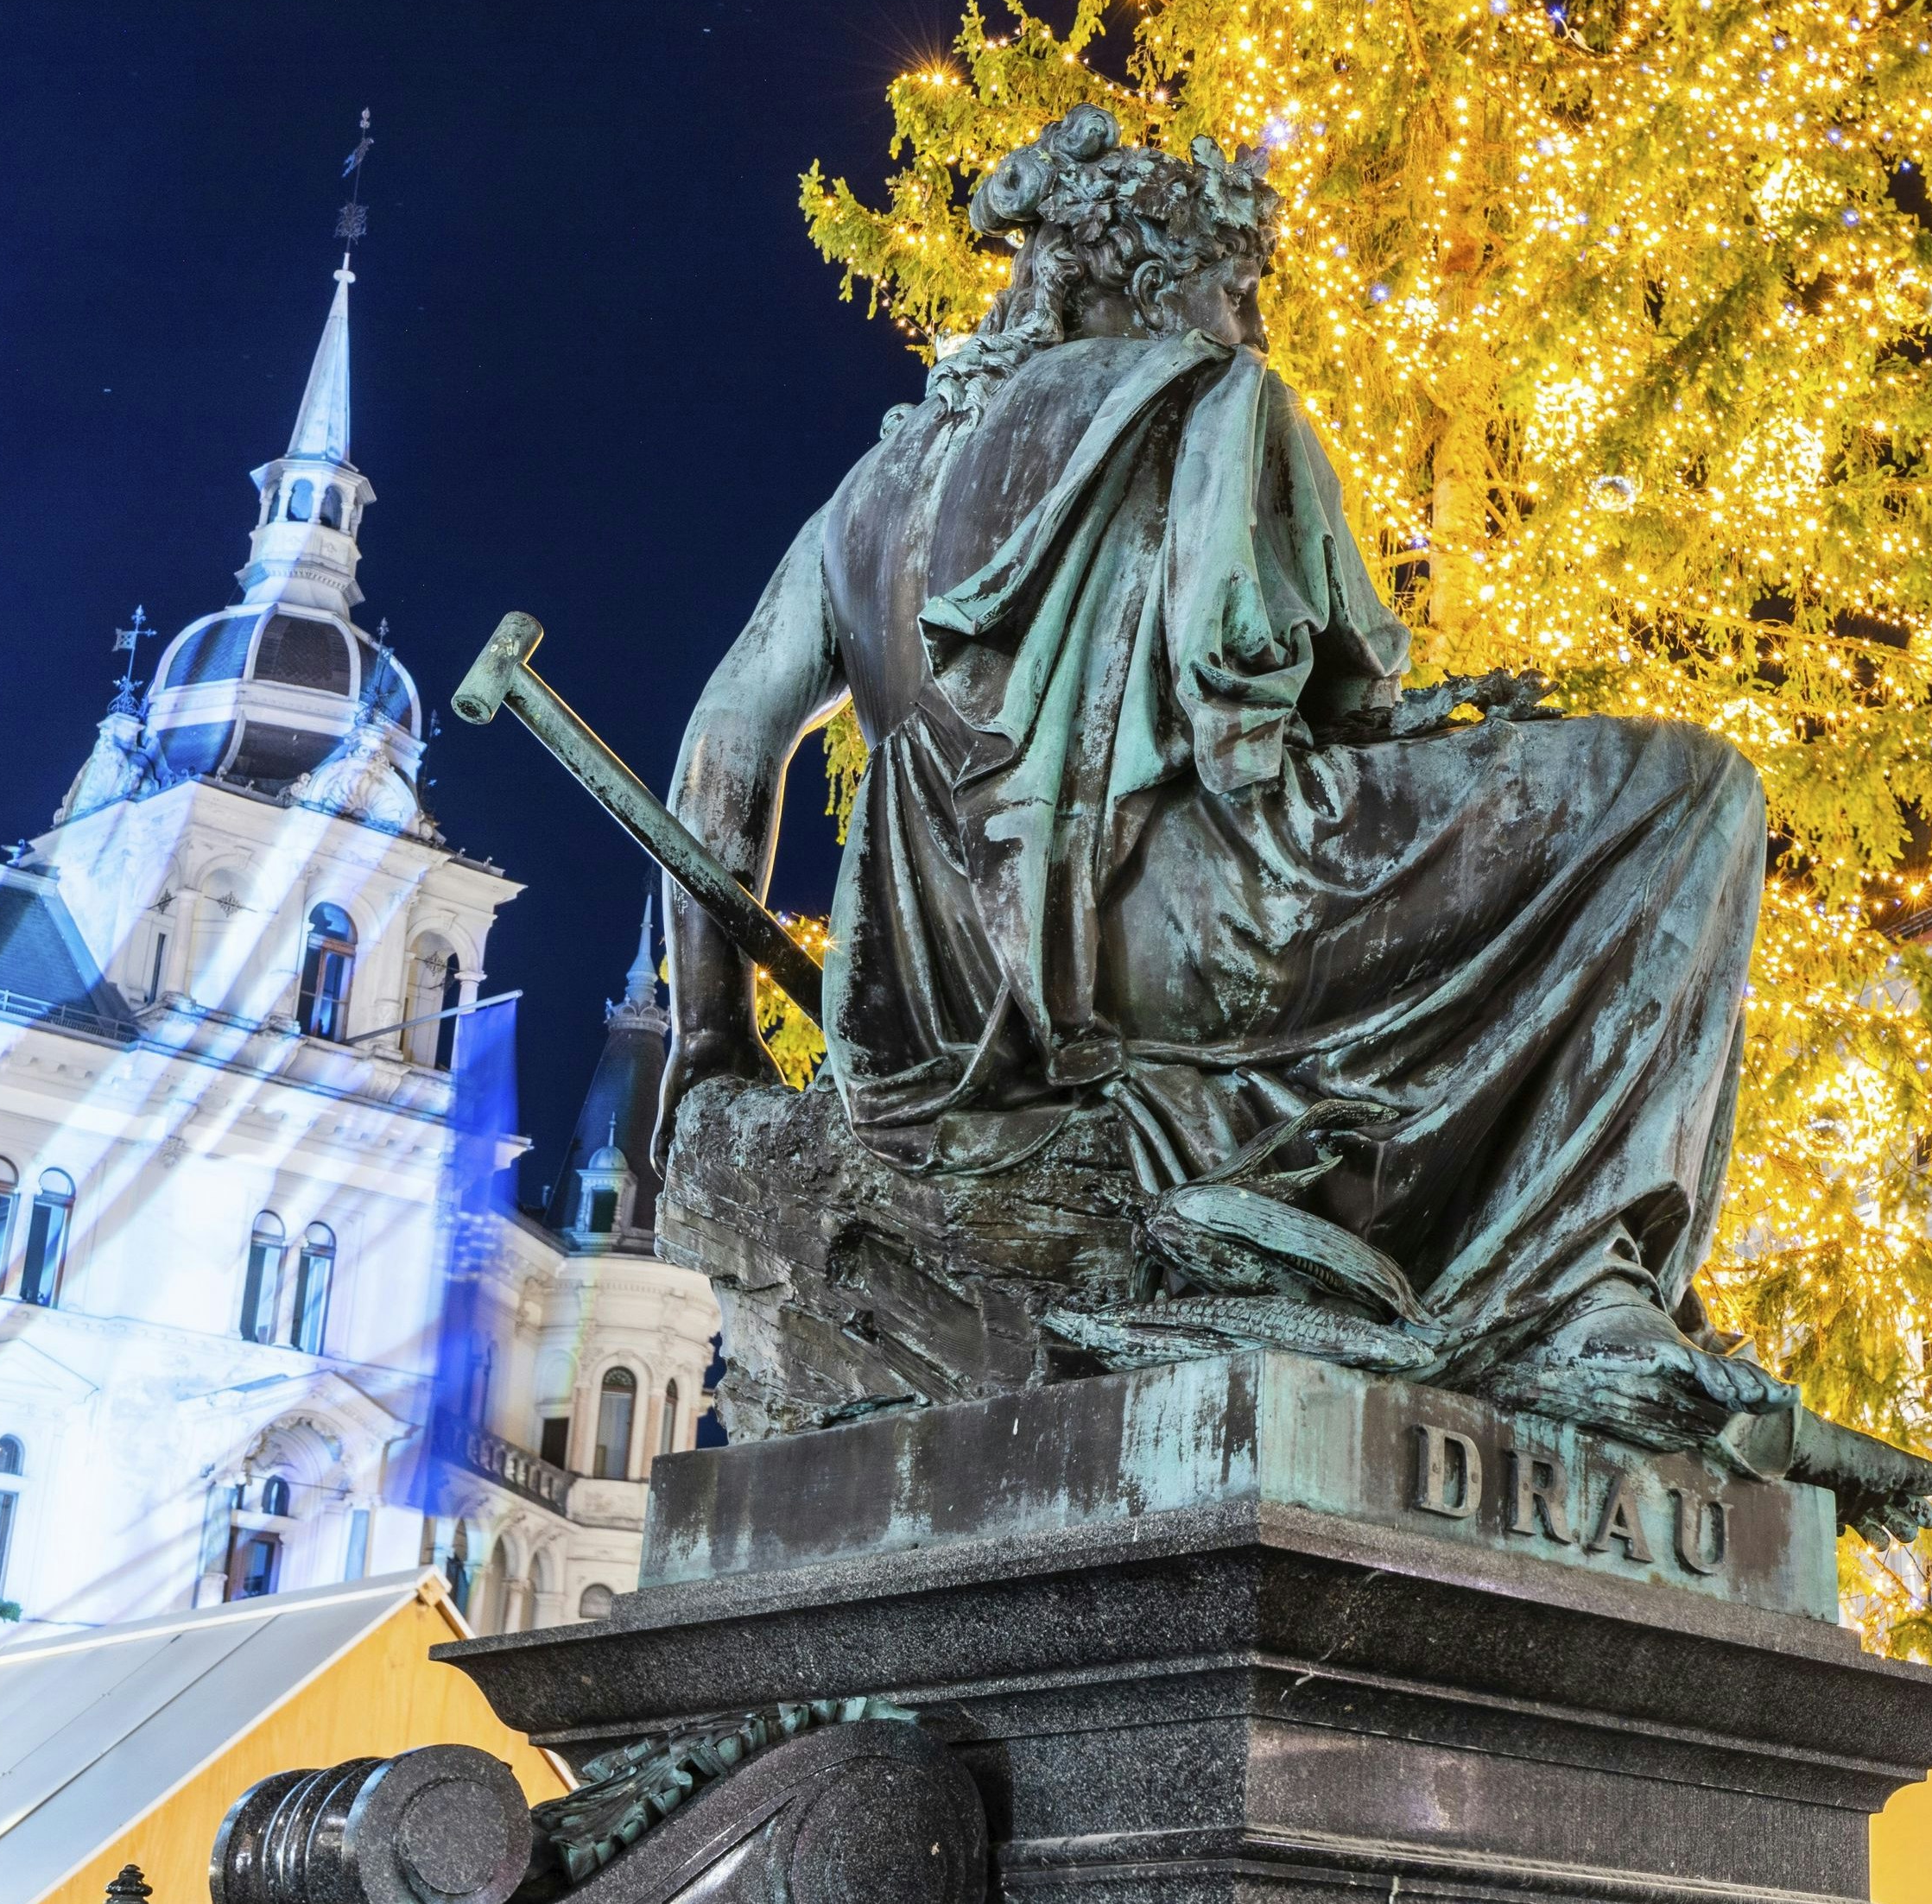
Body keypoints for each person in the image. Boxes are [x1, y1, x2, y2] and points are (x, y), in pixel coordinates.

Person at [661, 106, 1787, 1440]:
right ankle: (1588, 1286)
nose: (1251, 323)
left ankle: (1560, 1285)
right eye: (1238, 287)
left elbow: (726, 739)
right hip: (1189, 925)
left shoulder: (871, 492)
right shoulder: (1207, 396)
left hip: (920, 1015)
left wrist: (711, 1040)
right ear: (1141, 279)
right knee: (1692, 797)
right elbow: (1273, 720)